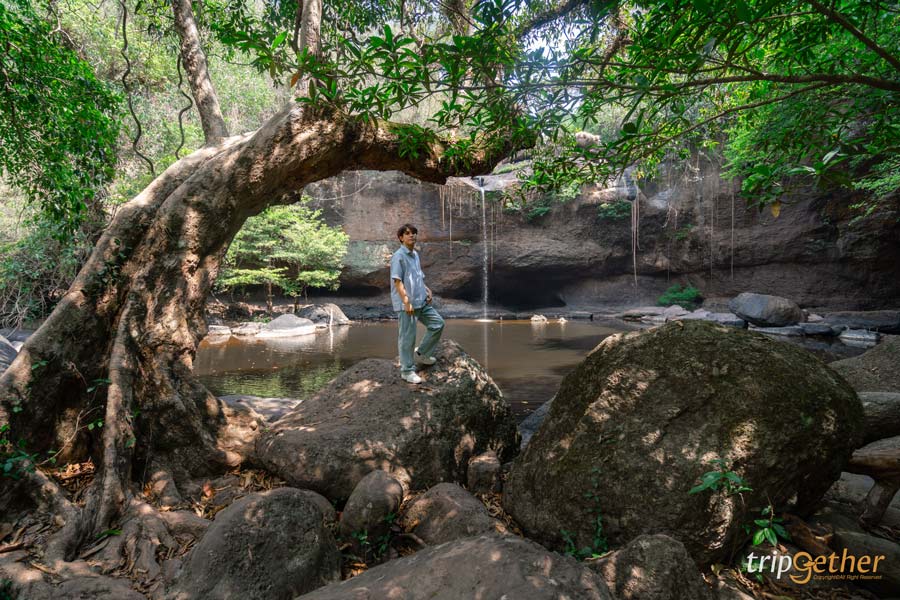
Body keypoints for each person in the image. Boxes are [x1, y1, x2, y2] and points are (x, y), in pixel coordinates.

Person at [390, 223, 444, 384]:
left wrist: (427, 289)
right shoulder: (399, 256)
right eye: (407, 233)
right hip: (407, 304)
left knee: (437, 324)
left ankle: (423, 353)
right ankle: (407, 371)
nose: (411, 235)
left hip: (421, 301)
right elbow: (397, 281)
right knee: (408, 337)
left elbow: (418, 276)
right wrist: (406, 302)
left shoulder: (415, 254)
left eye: (413, 233)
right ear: (401, 238)